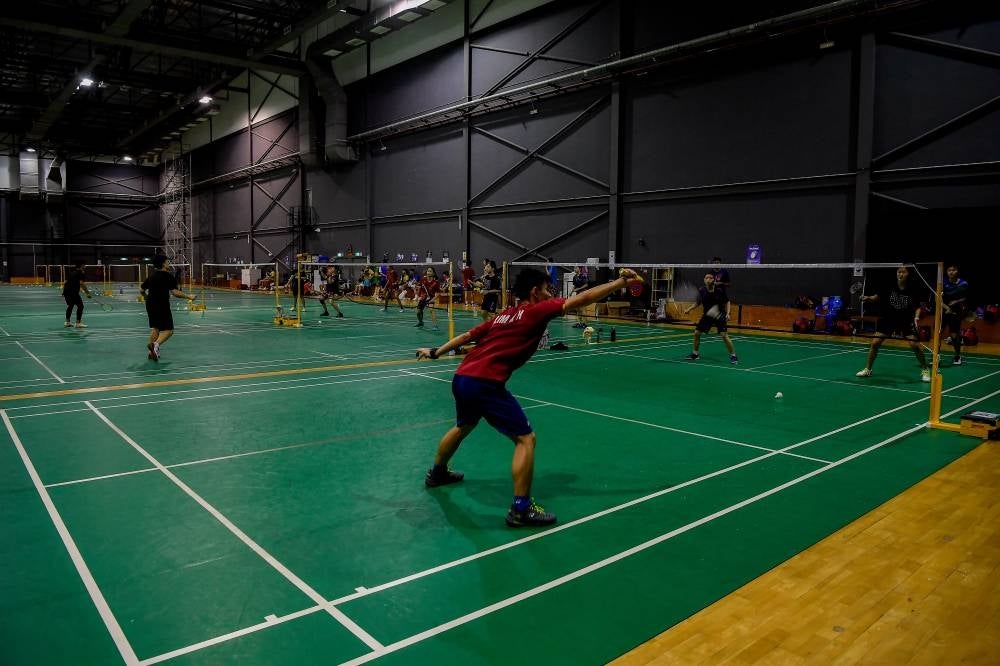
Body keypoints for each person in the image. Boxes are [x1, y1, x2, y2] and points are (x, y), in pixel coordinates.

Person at [417, 267, 643, 527]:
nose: (550, 294)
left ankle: (437, 474)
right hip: (485, 382)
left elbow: (468, 336)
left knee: (463, 426)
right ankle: (521, 509)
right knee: (526, 439)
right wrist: (620, 282)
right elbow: (582, 299)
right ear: (535, 292)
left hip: (463, 378)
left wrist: (436, 352)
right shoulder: (536, 311)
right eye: (547, 289)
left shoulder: (504, 316)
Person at [856, 264, 930, 382]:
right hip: (889, 318)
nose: (900, 274)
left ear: (908, 274)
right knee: (875, 343)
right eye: (899, 272)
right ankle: (868, 369)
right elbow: (877, 297)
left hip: (905, 319)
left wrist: (916, 318)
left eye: (903, 272)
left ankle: (925, 369)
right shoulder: (889, 285)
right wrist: (868, 298)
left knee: (914, 345)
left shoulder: (912, 288)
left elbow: (918, 307)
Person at [141, 255, 195, 361]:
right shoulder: (168, 276)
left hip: (150, 304)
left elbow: (141, 289)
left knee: (156, 328)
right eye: (167, 261)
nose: (168, 263)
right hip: (162, 305)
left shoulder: (151, 276)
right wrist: (189, 296)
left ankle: (151, 352)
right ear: (163, 264)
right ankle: (155, 345)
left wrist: (144, 296)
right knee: (169, 331)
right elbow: (175, 292)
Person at [683, 273, 738, 364]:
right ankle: (695, 354)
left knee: (724, 335)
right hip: (707, 315)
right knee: (696, 333)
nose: (708, 279)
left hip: (719, 314)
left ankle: (733, 356)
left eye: (711, 278)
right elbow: (698, 302)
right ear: (704, 280)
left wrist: (728, 313)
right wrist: (689, 309)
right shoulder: (701, 290)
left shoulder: (719, 290)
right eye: (706, 277)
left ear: (714, 280)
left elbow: (727, 301)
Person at [941, 264, 969, 365]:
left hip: (956, 311)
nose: (951, 272)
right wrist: (947, 308)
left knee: (954, 335)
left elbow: (965, 297)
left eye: (954, 270)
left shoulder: (963, 283)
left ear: (957, 271)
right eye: (949, 270)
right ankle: (936, 356)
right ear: (946, 272)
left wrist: (955, 302)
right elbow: (938, 299)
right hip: (943, 309)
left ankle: (957, 356)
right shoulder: (942, 282)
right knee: (938, 333)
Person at [62, 261, 92, 328]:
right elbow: (82, 283)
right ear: (81, 266)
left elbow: (65, 282)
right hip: (73, 292)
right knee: (81, 306)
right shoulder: (81, 273)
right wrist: (88, 293)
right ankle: (78, 323)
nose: (85, 266)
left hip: (67, 292)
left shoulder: (71, 272)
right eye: (84, 265)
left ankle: (67, 322)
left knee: (70, 306)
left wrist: (63, 292)